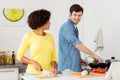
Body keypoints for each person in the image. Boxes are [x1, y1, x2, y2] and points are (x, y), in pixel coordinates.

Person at [58, 4, 101, 74]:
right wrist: (94, 55)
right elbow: (77, 45)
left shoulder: (74, 28)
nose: (77, 17)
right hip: (68, 67)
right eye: (75, 15)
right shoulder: (67, 27)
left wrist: (79, 59)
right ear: (70, 15)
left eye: (79, 15)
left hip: (73, 65)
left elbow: (70, 48)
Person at [17, 9, 58, 76]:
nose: (50, 22)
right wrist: (33, 62)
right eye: (48, 20)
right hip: (33, 74)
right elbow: (19, 56)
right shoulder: (28, 36)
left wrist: (54, 67)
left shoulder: (50, 37)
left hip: (48, 74)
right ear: (42, 22)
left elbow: (54, 57)